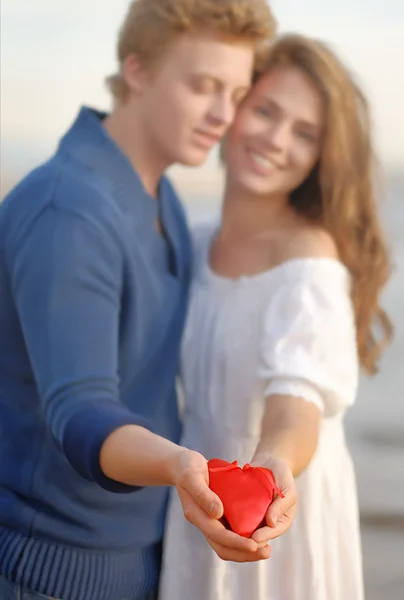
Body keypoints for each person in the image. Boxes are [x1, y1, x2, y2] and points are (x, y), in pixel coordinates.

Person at [0, 2, 278, 599]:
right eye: (203, 85)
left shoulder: (164, 197)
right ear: (138, 70)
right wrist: (183, 467)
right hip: (48, 571)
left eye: (236, 91)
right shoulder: (67, 210)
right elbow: (81, 410)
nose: (223, 115)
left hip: (136, 561)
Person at [159, 33, 393, 600]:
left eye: (305, 133)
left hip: (278, 512)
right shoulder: (193, 241)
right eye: (266, 111)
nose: (276, 139)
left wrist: (270, 466)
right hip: (197, 497)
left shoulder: (308, 260)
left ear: (321, 157)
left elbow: (297, 408)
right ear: (234, 107)